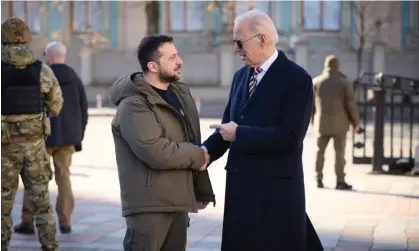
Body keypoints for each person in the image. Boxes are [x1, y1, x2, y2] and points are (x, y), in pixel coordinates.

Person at [201, 10, 323, 251]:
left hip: (275, 193)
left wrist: (240, 134)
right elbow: (227, 127)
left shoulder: (297, 79)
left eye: (239, 42)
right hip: (240, 191)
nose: (235, 49)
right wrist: (205, 152)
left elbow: (290, 137)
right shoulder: (239, 77)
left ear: (263, 39)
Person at [109, 34, 215, 251]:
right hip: (149, 207)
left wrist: (200, 188)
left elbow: (192, 140)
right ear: (153, 66)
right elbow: (155, 151)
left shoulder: (180, 94)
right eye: (172, 57)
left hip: (178, 202)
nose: (180, 61)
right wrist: (198, 156)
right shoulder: (134, 104)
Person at [14, 41, 88, 235]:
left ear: (51, 56)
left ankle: (28, 221)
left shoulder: (40, 76)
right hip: (67, 138)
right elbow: (83, 109)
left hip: (42, 137)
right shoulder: (75, 78)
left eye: (46, 53)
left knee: (34, 178)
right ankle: (65, 221)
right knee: (64, 177)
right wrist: (77, 135)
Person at [1, 18, 63, 251]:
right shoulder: (42, 69)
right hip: (35, 147)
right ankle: (49, 245)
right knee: (43, 204)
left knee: (2, 206)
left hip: (3, 149)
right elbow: (56, 105)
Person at [312, 55, 360, 190]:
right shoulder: (344, 83)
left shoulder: (316, 82)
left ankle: (318, 179)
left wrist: (312, 121)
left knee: (319, 152)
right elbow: (351, 105)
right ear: (337, 66)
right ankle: (340, 181)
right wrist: (356, 122)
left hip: (321, 123)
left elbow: (311, 106)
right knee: (339, 153)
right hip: (340, 124)